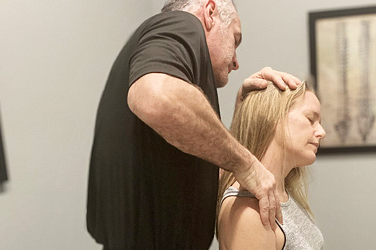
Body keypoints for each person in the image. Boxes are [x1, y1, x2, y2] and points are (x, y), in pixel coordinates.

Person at [86, 0, 301, 249]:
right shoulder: (182, 24)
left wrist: (240, 109)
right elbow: (155, 96)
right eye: (235, 40)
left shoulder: (150, 44)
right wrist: (248, 166)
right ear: (210, 12)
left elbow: (191, 164)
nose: (236, 62)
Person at [217, 82, 326, 250]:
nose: (321, 132)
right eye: (311, 119)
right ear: (273, 116)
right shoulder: (250, 211)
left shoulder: (280, 194)